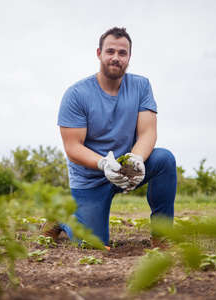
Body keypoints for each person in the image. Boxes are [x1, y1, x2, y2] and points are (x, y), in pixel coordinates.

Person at [47, 27, 177, 248]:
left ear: (129, 57)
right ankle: (64, 218)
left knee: (164, 159)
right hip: (91, 179)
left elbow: (148, 132)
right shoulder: (77, 94)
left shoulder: (141, 86)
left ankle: (161, 237)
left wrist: (135, 160)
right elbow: (72, 147)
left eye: (122, 53)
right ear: (99, 53)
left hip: (126, 168)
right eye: (110, 51)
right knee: (95, 246)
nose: (116, 58)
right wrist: (103, 163)